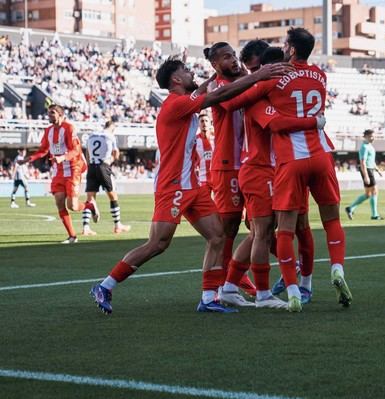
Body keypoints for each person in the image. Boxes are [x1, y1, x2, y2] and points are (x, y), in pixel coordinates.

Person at [89, 55, 291, 315]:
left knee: (218, 236)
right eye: (185, 71)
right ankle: (105, 286)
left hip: (192, 186)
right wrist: (258, 76)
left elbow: (206, 89)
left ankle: (208, 298)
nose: (190, 73)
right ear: (176, 80)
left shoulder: (183, 101)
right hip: (173, 186)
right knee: (158, 244)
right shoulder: (175, 104)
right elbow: (216, 96)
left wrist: (212, 77)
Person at [211, 28, 351, 312]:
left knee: (279, 229)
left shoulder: (268, 87)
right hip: (268, 167)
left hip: (284, 165)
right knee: (265, 231)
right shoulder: (304, 80)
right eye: (250, 68)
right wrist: (315, 122)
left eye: (254, 67)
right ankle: (265, 291)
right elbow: (263, 118)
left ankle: (239, 285)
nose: (250, 72)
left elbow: (234, 101)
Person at [204, 42, 256, 296]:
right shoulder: (218, 87)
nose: (234, 60)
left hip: (248, 163)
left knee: (259, 224)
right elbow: (230, 102)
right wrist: (255, 76)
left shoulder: (241, 80)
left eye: (234, 55)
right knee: (228, 230)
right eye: (227, 57)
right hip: (227, 166)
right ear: (215, 65)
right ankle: (223, 286)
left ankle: (235, 279)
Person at [21, 104, 90, 244]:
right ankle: (72, 236)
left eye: (52, 113)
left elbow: (76, 150)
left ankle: (89, 206)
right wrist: (31, 158)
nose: (49, 115)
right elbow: (44, 150)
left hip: (73, 169)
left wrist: (62, 157)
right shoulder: (48, 131)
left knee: (73, 206)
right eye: (48, 113)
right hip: (58, 171)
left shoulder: (69, 128)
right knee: (59, 202)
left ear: (60, 115)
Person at [81, 120, 131, 235]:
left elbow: (87, 153)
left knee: (90, 198)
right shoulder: (110, 136)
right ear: (112, 127)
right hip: (103, 166)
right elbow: (116, 153)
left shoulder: (91, 136)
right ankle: (118, 225)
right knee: (113, 196)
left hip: (92, 167)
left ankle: (85, 227)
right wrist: (111, 161)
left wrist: (90, 165)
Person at [345, 129, 385, 220]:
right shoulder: (364, 147)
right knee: (375, 191)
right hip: (367, 170)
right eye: (371, 136)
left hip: (370, 169)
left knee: (368, 194)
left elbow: (371, 160)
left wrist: (378, 170)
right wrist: (366, 175)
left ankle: (350, 208)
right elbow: (363, 162)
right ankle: (374, 215)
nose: (373, 138)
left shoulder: (370, 146)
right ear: (366, 136)